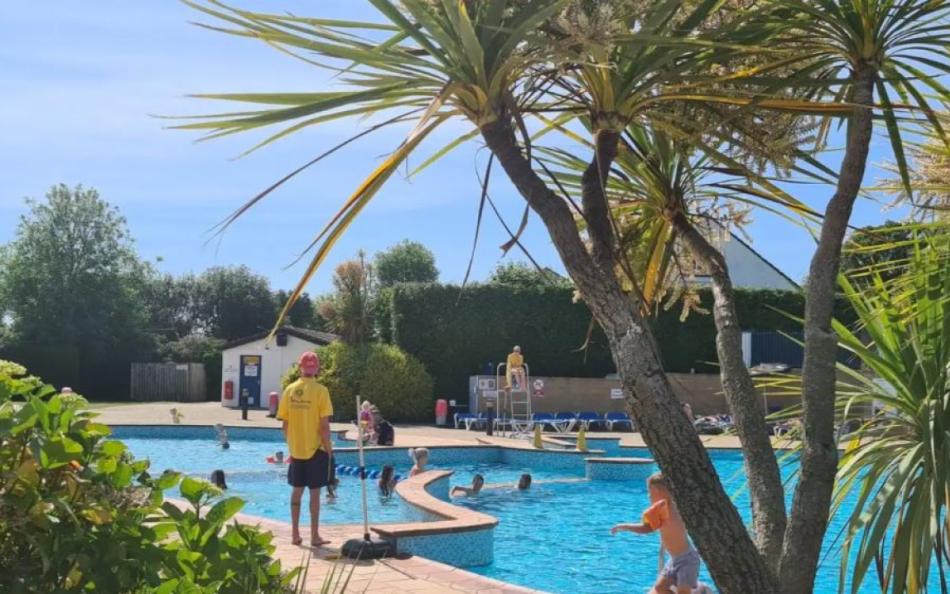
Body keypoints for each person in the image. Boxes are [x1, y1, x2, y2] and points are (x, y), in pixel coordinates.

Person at [277, 351, 334, 548]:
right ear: (317, 368)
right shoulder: (321, 391)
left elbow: (284, 424)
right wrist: (329, 449)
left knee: (296, 491)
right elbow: (324, 427)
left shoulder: (289, 390)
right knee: (315, 494)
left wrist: (292, 445)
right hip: (315, 450)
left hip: (296, 450)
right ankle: (315, 535)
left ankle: (294, 534)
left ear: (300, 367)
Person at [611, 472, 700, 594]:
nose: (649, 496)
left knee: (683, 591)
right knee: (659, 588)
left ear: (662, 491)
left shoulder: (675, 507)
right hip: (674, 559)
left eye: (651, 492)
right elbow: (646, 528)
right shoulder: (659, 510)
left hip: (687, 558)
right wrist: (625, 526)